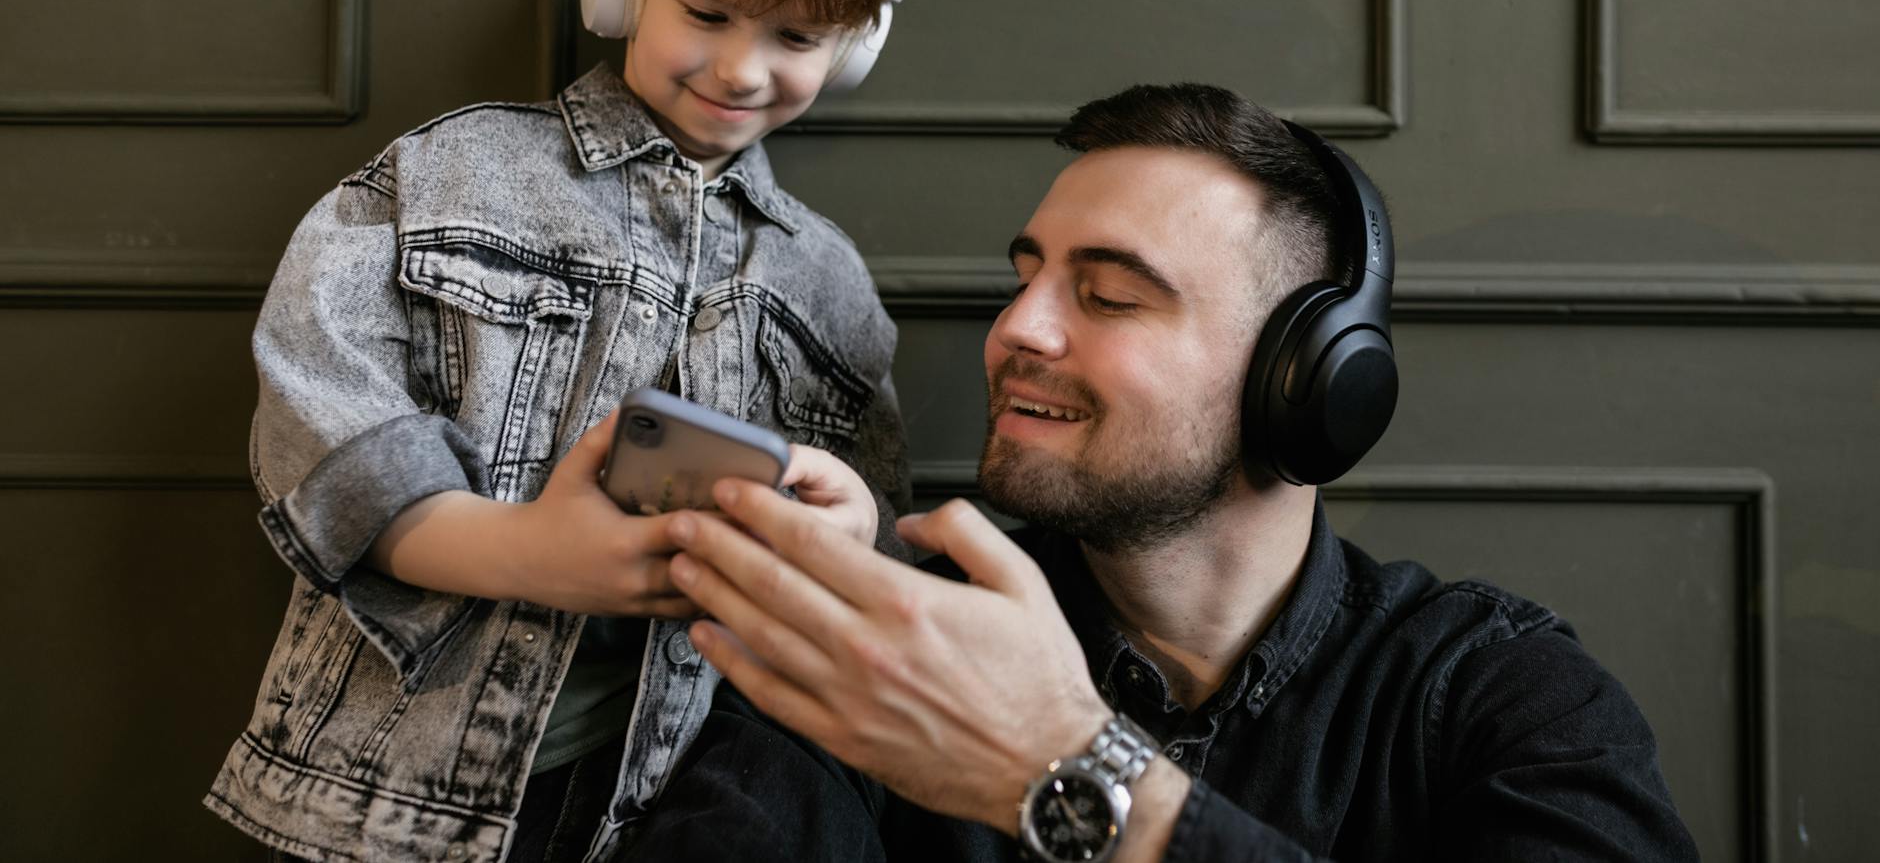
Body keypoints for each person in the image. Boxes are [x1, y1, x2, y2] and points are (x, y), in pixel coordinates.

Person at [634, 83, 1701, 861]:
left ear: (1309, 382)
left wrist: (1062, 763)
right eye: (1026, 279)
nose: (1013, 330)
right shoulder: (894, 645)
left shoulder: (1495, 692)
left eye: (1105, 296)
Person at [205, 0, 918, 862]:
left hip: (661, 807)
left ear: (857, 43)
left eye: (795, 37)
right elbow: (321, 415)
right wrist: (524, 550)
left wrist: (853, 530)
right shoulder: (452, 173)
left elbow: (866, 531)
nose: (740, 68)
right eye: (707, 10)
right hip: (392, 799)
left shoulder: (825, 279)